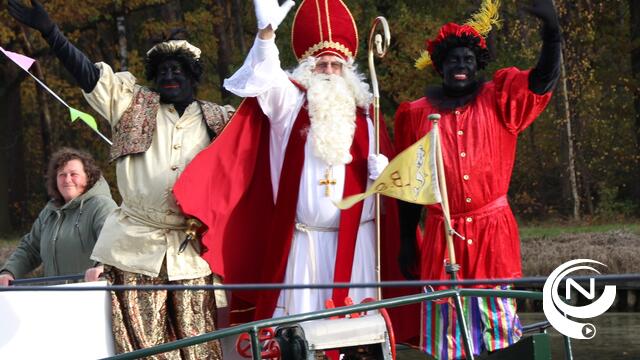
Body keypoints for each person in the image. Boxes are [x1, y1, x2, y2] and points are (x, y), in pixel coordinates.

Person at [173, 0, 415, 340]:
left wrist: (383, 174)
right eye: (321, 65)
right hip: (306, 246)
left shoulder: (367, 114)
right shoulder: (290, 105)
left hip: (359, 244)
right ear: (306, 69)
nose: (329, 72)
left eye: (336, 65)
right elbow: (266, 77)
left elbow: (392, 189)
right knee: (302, 335)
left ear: (348, 71)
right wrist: (266, 35)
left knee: (358, 335)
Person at [8, 0, 234, 358]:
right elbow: (88, 74)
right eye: (162, 69)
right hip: (133, 251)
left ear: (193, 75)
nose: (169, 75)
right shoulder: (130, 104)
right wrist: (50, 31)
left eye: (178, 69)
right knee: (145, 349)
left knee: (200, 346)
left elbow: (262, 138)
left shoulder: (221, 120)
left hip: (192, 253)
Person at [393, 0, 561, 358]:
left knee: (498, 324)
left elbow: (542, 80)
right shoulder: (416, 114)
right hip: (442, 237)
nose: (461, 66)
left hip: (492, 236)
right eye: (454, 59)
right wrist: (408, 238)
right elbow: (409, 185)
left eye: (468, 60)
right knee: (446, 329)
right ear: (440, 66)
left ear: (478, 65)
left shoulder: (500, 98)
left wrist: (553, 34)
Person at [0, 147, 116, 285]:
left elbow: (114, 242)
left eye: (74, 174)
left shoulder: (101, 206)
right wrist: (9, 272)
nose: (67, 179)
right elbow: (30, 249)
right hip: (55, 298)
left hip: (92, 296)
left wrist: (103, 266)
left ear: (89, 176)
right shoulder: (49, 212)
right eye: (62, 174)